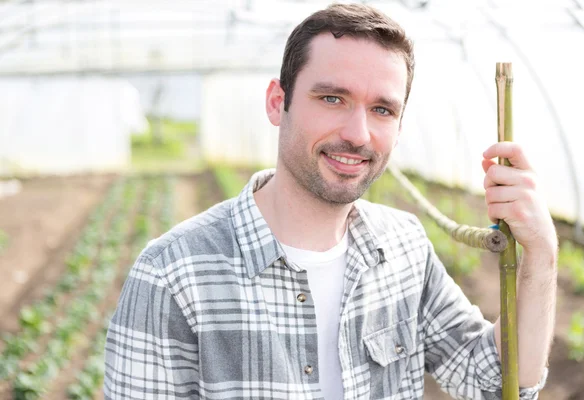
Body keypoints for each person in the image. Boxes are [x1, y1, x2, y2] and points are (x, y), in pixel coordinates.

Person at [104, 3, 557, 400]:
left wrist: (542, 254)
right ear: (277, 102)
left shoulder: (404, 248)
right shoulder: (172, 276)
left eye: (382, 110)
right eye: (332, 98)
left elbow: (495, 383)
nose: (358, 134)